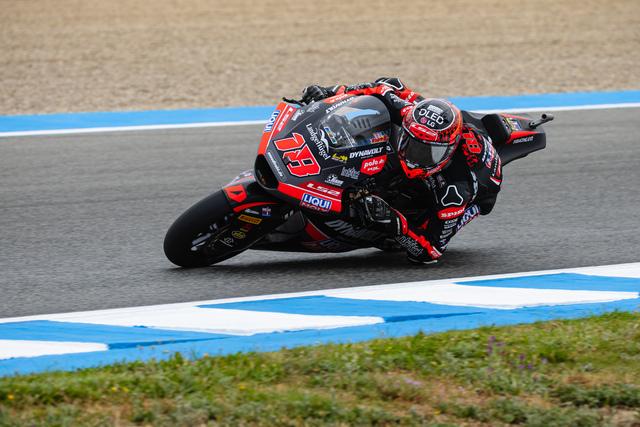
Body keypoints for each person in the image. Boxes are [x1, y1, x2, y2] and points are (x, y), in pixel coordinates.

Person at [300, 78, 503, 264]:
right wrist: (330, 92)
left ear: (448, 151)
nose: (415, 156)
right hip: (438, 129)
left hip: (482, 189)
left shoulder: (456, 190)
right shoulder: (410, 115)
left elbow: (431, 252)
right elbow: (382, 88)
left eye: (427, 152)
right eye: (411, 143)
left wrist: (396, 224)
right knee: (385, 113)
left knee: (405, 231)